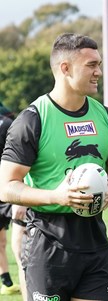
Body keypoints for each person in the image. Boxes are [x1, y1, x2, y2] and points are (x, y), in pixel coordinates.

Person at [0, 33, 108, 300]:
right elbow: (6, 187)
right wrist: (57, 196)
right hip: (48, 246)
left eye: (99, 64)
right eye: (91, 65)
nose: (99, 72)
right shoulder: (32, 121)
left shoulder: (105, 117)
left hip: (95, 244)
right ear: (65, 68)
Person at [0, 113, 20, 296]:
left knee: (22, 232)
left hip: (9, 187)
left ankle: (30, 274)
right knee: (1, 240)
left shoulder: (6, 123)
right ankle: (6, 280)